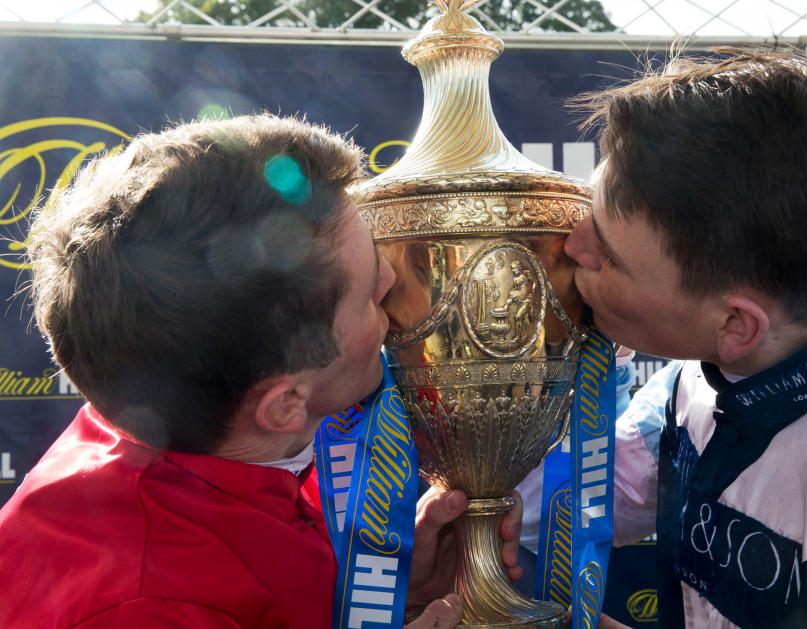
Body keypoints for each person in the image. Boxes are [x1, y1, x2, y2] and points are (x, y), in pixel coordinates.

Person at [0, 114, 520, 628]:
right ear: (284, 406)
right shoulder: (147, 606)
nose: (391, 278)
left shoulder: (175, 427)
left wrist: (391, 602)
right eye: (367, 295)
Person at [560, 48, 807, 627]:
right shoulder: (689, 382)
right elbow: (569, 502)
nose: (572, 247)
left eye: (608, 254)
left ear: (736, 326)